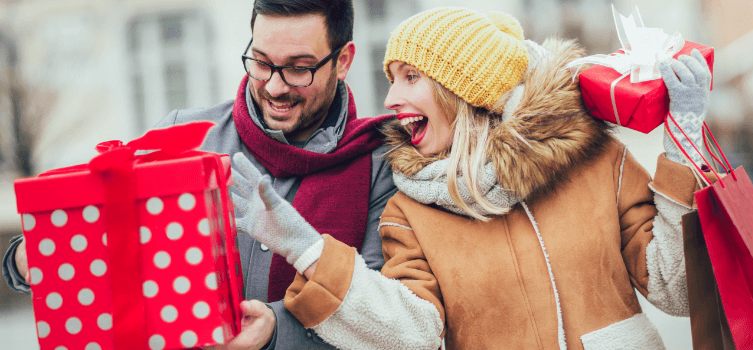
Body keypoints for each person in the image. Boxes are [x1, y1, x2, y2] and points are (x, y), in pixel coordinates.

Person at [230, 7, 716, 350]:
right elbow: (413, 334)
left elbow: (674, 290)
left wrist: (684, 142)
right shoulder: (410, 211)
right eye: (392, 77)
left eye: (411, 77)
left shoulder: (594, 161)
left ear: (464, 89)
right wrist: (305, 247)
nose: (390, 99)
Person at [2, 1, 396, 349]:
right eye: (261, 61)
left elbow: (381, 314)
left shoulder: (378, 162)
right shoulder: (184, 137)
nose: (274, 86)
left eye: (298, 69)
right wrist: (33, 255)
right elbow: (97, 236)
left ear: (343, 61)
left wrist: (277, 330)